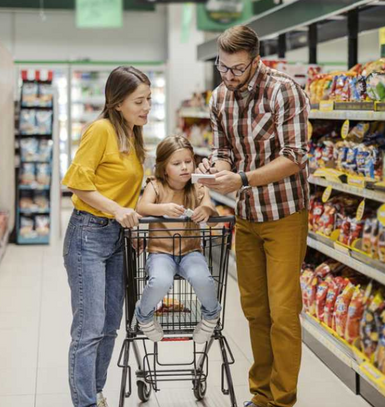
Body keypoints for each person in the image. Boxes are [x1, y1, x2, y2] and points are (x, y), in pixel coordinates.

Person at [197, 25, 310, 407]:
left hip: (284, 213)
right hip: (246, 215)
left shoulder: (284, 91)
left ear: (256, 61)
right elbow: (225, 147)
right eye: (222, 67)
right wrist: (217, 166)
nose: (229, 77)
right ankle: (260, 396)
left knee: (282, 311)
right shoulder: (219, 98)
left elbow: (295, 157)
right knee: (255, 310)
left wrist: (242, 178)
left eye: (237, 69)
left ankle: (282, 399)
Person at [62, 66, 151, 407]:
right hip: (88, 234)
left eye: (148, 100)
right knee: (89, 327)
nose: (146, 108)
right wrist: (115, 210)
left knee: (111, 323)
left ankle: (96, 392)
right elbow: (77, 182)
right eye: (138, 101)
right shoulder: (101, 130)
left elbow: (125, 190)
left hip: (117, 238)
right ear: (116, 103)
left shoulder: (133, 133)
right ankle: (84, 402)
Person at [135, 135, 221, 343]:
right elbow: (141, 207)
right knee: (159, 281)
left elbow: (213, 215)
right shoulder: (155, 186)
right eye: (176, 163)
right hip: (160, 252)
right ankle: (144, 316)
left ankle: (211, 316)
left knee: (203, 279)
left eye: (188, 161)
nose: (184, 167)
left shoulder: (198, 187)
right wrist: (162, 209)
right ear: (164, 168)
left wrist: (206, 210)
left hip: (191, 251)